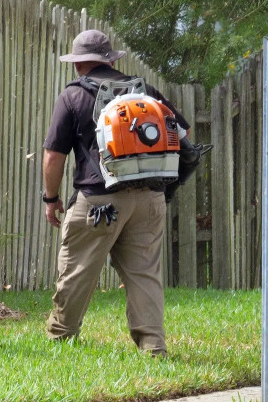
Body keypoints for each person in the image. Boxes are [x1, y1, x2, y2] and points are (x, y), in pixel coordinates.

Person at [41, 29, 190, 356]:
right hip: (149, 199)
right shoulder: (144, 90)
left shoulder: (74, 95)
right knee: (144, 273)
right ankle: (153, 348)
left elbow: (54, 156)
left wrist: (51, 199)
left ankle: (61, 339)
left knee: (77, 270)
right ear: (110, 59)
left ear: (79, 64)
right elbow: (182, 131)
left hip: (99, 201)